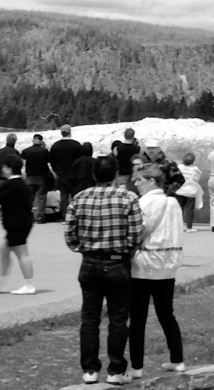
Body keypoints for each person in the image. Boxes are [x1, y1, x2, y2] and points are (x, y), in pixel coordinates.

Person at [65, 155, 143, 386]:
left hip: (90, 262)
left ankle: (90, 369)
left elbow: (69, 233)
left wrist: (81, 247)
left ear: (93, 174)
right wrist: (127, 250)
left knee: (90, 318)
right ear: (116, 174)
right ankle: (116, 369)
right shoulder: (128, 198)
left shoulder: (80, 197)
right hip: (117, 262)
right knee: (118, 318)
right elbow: (136, 234)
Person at [127, 166, 185, 380]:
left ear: (151, 181)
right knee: (166, 314)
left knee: (138, 318)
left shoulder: (144, 202)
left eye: (139, 180)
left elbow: (139, 229)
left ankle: (137, 366)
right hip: (168, 264)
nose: (136, 184)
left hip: (145, 263)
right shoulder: (173, 202)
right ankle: (178, 359)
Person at [0, 155, 36, 295]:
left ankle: (29, 284)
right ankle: (2, 283)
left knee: (22, 253)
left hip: (16, 223)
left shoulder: (11, 184)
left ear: (8, 169)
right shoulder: (21, 183)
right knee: (4, 251)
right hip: (21, 222)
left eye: (3, 167)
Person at [50, 124, 84, 220]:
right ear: (70, 132)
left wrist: (56, 171)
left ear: (61, 133)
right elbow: (80, 160)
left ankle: (64, 216)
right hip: (74, 174)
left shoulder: (55, 146)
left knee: (63, 196)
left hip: (61, 174)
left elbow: (52, 161)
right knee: (75, 195)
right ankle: (76, 215)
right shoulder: (76, 145)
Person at [21, 134, 50, 224]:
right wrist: (44, 146)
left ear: (33, 140)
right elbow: (48, 160)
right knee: (41, 198)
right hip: (41, 177)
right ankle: (40, 218)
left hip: (29, 177)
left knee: (30, 198)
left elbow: (22, 158)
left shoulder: (26, 151)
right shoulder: (44, 151)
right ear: (41, 141)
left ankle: (27, 217)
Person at [175, 153, 203, 233]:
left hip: (179, 191)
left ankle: (178, 227)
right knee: (189, 210)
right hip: (191, 192)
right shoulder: (195, 169)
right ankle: (189, 228)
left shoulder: (179, 167)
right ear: (193, 161)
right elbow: (197, 179)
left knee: (179, 209)